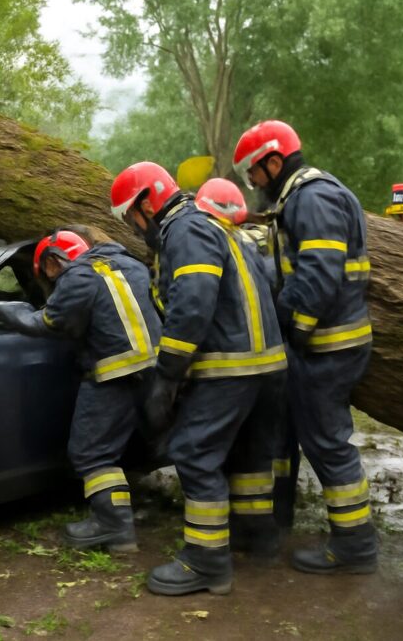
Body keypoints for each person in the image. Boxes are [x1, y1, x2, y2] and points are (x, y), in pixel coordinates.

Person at [110, 163, 287, 596]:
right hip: (268, 367)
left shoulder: (185, 230)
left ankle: (206, 562)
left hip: (230, 366)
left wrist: (167, 378)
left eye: (132, 217)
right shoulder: (218, 225)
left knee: (194, 451)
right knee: (248, 453)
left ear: (147, 203)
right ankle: (256, 535)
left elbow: (192, 306)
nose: (136, 229)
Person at [233, 119, 377, 575]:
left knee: (328, 443)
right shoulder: (302, 198)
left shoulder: (312, 198)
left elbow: (318, 275)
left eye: (253, 173)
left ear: (274, 161)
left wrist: (289, 327)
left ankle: (354, 546)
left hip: (328, 347)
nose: (252, 183)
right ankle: (283, 522)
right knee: (304, 435)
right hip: (322, 345)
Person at [0, 228, 160, 553]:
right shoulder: (129, 265)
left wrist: (9, 312)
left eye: (45, 276)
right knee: (135, 449)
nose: (50, 283)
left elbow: (49, 323)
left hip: (114, 376)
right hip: (155, 375)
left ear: (54, 261)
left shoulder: (77, 275)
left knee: (91, 452)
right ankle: (122, 532)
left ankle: (114, 525)